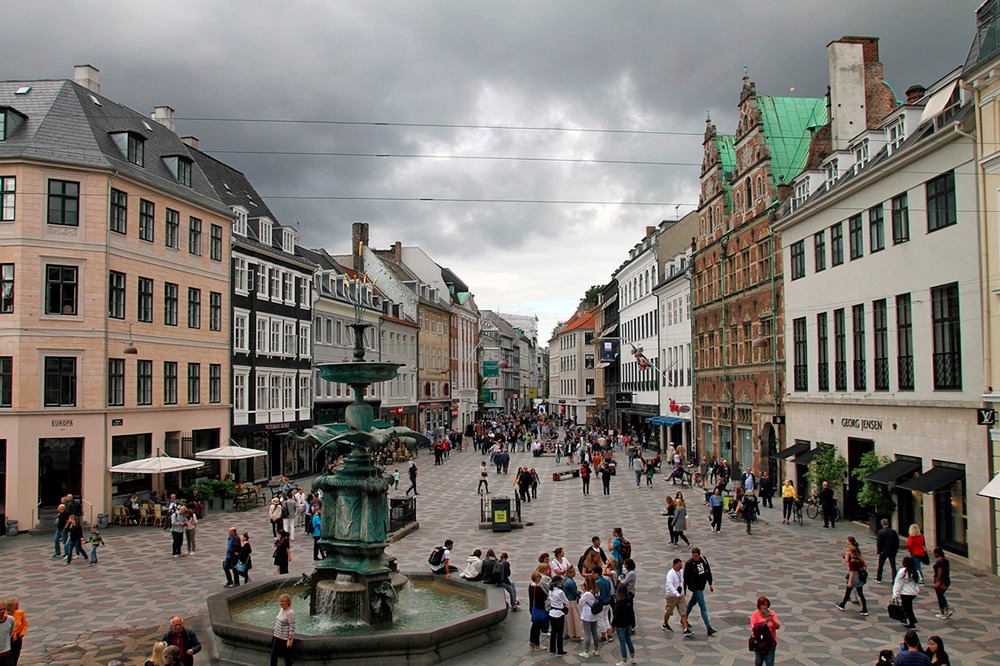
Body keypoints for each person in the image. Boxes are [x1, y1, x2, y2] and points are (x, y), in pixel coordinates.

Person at [683, 547, 718, 636]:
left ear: (699, 555)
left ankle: (684, 617)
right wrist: (684, 591)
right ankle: (708, 627)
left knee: (692, 602)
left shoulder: (703, 559)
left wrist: (710, 583)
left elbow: (708, 571)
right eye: (693, 556)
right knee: (703, 607)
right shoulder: (689, 563)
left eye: (696, 556)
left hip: (702, 585)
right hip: (696, 587)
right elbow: (685, 578)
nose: (694, 558)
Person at [835, 540, 869, 616]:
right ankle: (864, 609)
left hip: (854, 579)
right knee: (860, 593)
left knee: (848, 592)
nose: (847, 552)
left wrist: (850, 582)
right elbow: (864, 567)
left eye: (848, 551)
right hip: (860, 579)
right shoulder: (859, 559)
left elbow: (852, 572)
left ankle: (843, 605)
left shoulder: (852, 561)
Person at [662, 558, 692, 637]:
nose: (680, 566)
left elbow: (682, 581)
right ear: (674, 565)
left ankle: (686, 629)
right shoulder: (670, 574)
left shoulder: (681, 572)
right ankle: (665, 623)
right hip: (672, 596)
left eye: (681, 565)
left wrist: (681, 592)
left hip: (680, 595)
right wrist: (676, 593)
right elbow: (670, 585)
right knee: (669, 611)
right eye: (679, 565)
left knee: (683, 612)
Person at [749, 595, 781, 666]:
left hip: (770, 642)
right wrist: (764, 622)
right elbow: (754, 628)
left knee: (769, 662)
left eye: (766, 605)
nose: (764, 607)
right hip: (759, 642)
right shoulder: (755, 614)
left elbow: (777, 626)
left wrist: (772, 620)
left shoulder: (771, 613)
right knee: (759, 662)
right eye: (762, 605)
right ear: (759, 606)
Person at [892, 556, 921, 629]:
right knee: (906, 607)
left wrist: (895, 594)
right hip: (913, 593)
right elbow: (919, 580)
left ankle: (911, 622)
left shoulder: (902, 572)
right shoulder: (915, 571)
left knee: (907, 608)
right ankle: (905, 619)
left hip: (905, 593)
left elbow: (898, 583)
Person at [612, 584, 637, 665]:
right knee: (628, 639)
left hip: (621, 624)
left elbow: (616, 615)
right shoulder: (629, 599)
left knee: (622, 641)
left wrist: (613, 625)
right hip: (628, 623)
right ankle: (633, 657)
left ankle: (624, 659)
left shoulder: (619, 603)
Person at [577, 577, 601, 659]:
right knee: (594, 632)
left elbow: (580, 602)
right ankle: (596, 649)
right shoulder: (597, 591)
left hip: (587, 614)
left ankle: (586, 651)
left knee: (587, 633)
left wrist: (583, 592)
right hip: (594, 615)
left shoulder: (587, 594)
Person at [270, 593, 295, 666]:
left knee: (285, 657)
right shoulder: (282, 609)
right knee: (274, 655)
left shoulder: (290, 612)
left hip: (283, 638)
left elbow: (292, 626)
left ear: (288, 602)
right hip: (277, 636)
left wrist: (289, 640)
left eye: (283, 601)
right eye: (280, 601)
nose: (281, 603)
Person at [547, 575, 568, 656]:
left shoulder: (551, 591)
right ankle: (560, 650)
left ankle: (552, 649)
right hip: (559, 613)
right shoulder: (560, 592)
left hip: (552, 612)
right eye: (560, 582)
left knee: (553, 632)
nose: (561, 583)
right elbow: (566, 601)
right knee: (560, 633)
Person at [527, 571, 547, 651]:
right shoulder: (537, 588)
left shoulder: (530, 586)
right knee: (537, 627)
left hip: (533, 608)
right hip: (538, 608)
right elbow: (544, 596)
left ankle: (532, 641)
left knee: (534, 625)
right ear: (537, 578)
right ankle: (537, 644)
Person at [931, 548, 952, 619]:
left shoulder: (939, 562)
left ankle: (943, 612)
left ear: (937, 553)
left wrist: (937, 581)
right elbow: (948, 571)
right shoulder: (946, 561)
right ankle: (946, 609)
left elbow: (940, 572)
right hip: (947, 580)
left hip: (941, 581)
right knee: (941, 595)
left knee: (939, 596)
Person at [876, 519, 900, 583]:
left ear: (882, 524)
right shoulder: (893, 532)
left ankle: (879, 578)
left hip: (883, 551)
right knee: (893, 566)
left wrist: (879, 550)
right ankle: (894, 579)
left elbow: (879, 543)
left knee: (880, 565)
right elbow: (897, 542)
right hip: (892, 551)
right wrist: (895, 550)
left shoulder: (880, 532)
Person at [561, 566, 581, 639]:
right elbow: (575, 593)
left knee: (568, 618)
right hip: (572, 601)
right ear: (571, 573)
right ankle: (573, 633)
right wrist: (579, 592)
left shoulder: (565, 580)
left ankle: (567, 632)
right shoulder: (571, 582)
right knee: (574, 618)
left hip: (567, 600)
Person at [4, 599, 25, 666]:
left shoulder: (20, 613)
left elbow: (25, 624)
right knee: (8, 656)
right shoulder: (5, 616)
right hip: (8, 637)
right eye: (15, 605)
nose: (17, 606)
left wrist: (22, 633)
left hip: (17, 637)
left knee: (16, 653)